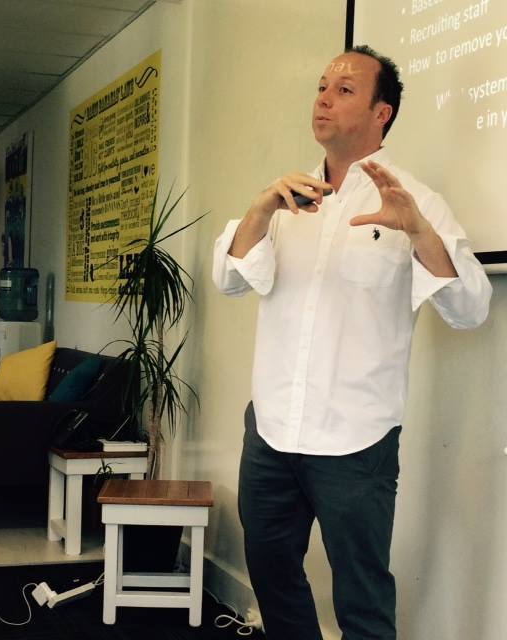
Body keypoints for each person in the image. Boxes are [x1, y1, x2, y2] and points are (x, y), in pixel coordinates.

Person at [212, 45, 492, 639]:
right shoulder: (287, 199)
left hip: (357, 442)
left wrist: (417, 230)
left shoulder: (415, 202)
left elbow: (470, 309)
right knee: (271, 573)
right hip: (272, 432)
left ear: (381, 113)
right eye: (320, 86)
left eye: (343, 90)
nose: (323, 98)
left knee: (362, 598)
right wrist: (261, 207)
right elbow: (231, 280)